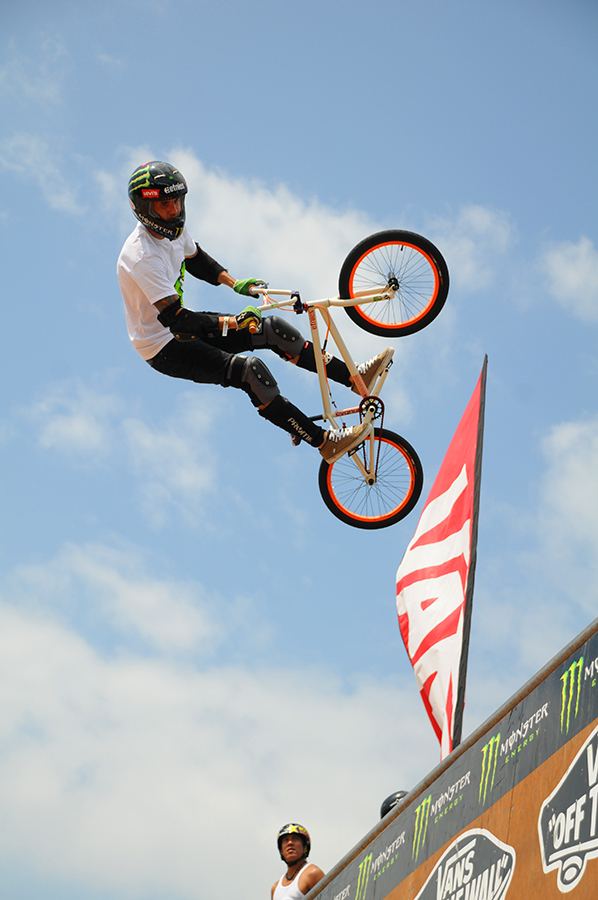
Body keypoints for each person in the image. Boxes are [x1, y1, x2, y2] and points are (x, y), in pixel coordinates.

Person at [117, 161, 394, 463]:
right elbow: (181, 324)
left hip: (182, 325)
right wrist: (235, 322)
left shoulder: (173, 229)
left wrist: (237, 285)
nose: (173, 210)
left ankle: (355, 378)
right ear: (144, 209)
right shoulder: (141, 256)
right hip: (163, 344)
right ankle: (324, 442)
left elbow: (195, 259)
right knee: (250, 372)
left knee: (273, 329)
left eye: (177, 201)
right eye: (164, 205)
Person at [272, 823, 325, 900]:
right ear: (281, 850)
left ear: (305, 847)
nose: (290, 843)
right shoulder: (275, 888)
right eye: (286, 840)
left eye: (295, 839)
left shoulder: (312, 873)